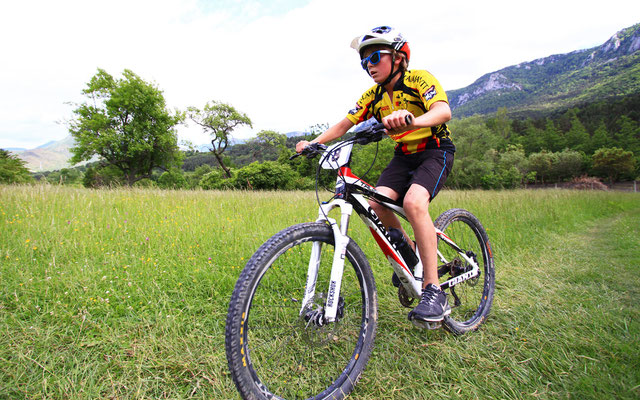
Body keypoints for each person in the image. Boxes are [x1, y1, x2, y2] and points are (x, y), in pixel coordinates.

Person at [296, 26, 455, 327]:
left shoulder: (419, 79)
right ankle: (410, 256)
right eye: (364, 61)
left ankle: (433, 290)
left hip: (434, 149)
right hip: (403, 155)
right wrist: (315, 143)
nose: (369, 65)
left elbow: (443, 111)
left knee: (414, 203)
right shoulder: (374, 95)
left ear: (397, 57)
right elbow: (345, 124)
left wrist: (410, 120)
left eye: (375, 57)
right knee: (376, 203)